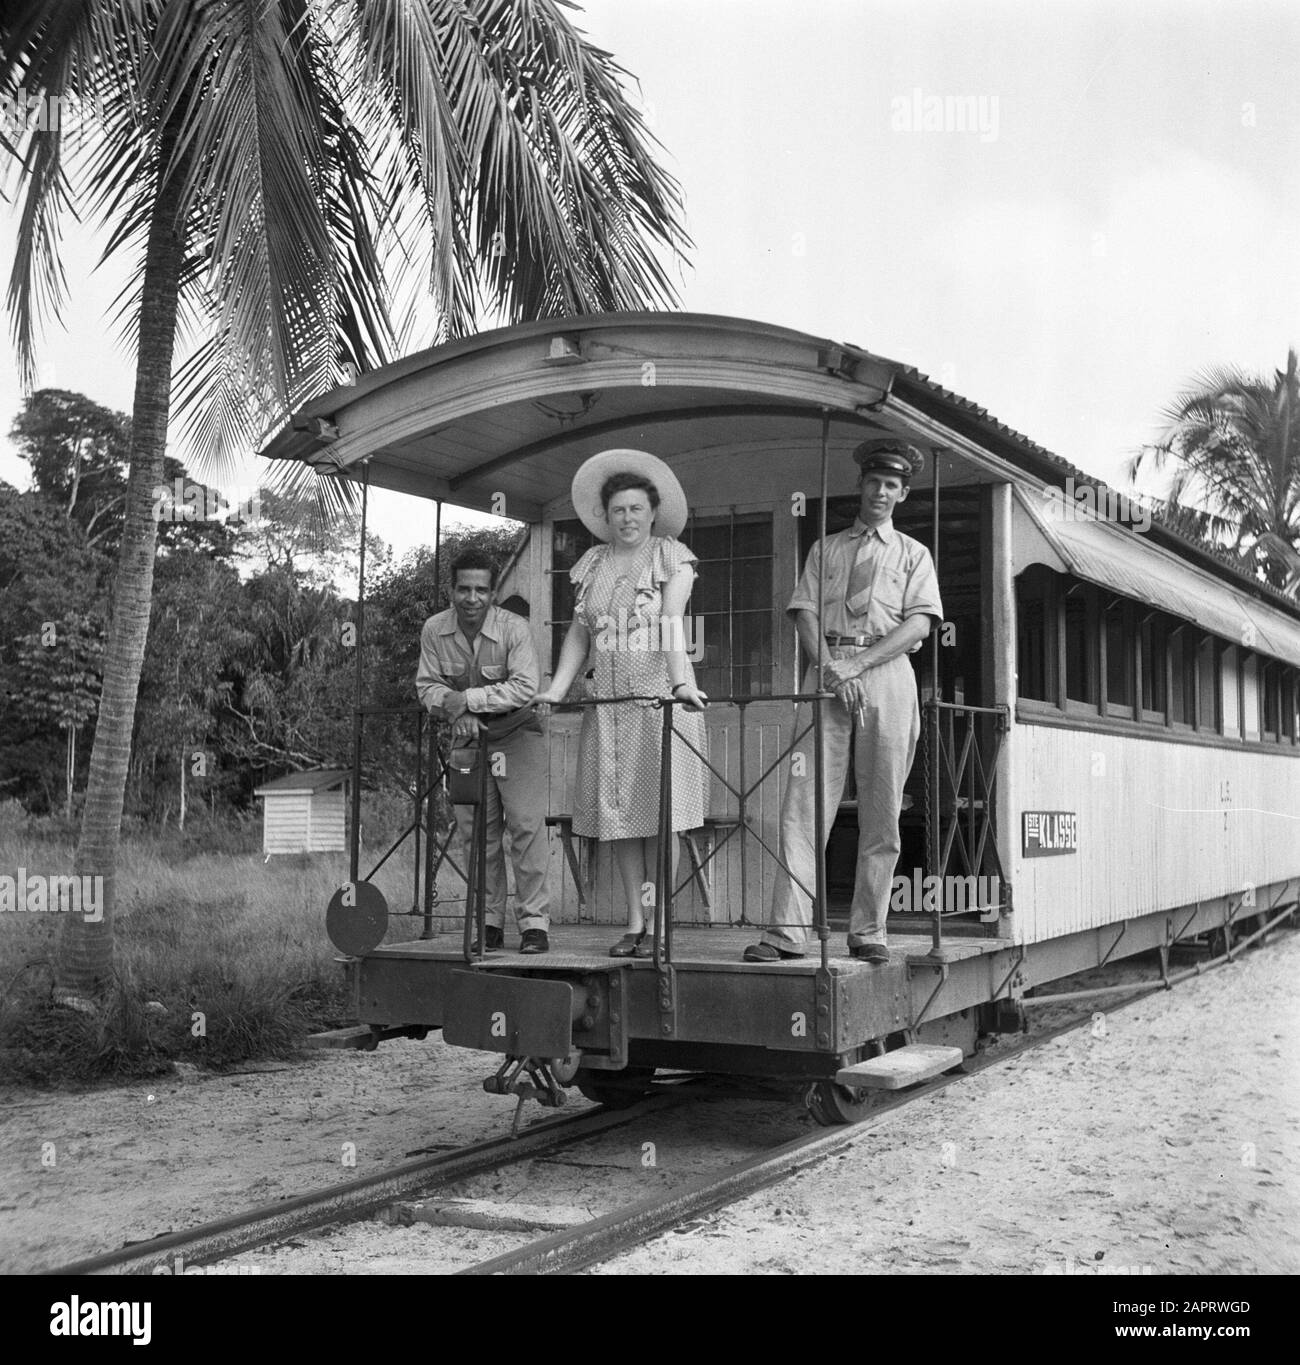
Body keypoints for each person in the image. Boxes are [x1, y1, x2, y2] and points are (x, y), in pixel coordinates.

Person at [744, 438, 943, 965]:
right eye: (874, 482)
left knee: (883, 810)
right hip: (827, 674)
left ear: (902, 494)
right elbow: (804, 612)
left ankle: (869, 930)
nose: (881, 492)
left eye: (892, 486)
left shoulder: (913, 554)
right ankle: (786, 932)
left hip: (886, 677)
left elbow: (920, 623)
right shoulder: (826, 549)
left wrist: (857, 665)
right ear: (861, 485)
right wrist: (833, 668)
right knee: (803, 804)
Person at [535, 449, 708, 958]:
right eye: (618, 511)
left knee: (661, 815)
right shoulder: (592, 564)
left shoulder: (672, 557)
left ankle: (661, 925)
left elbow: (672, 621)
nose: (628, 518)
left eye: (636, 509)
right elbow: (578, 637)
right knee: (617, 817)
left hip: (657, 698)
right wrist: (557, 688)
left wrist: (679, 683)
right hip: (607, 703)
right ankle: (634, 921)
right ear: (605, 517)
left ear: (653, 512)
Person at [416, 549, 553, 954]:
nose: (471, 598)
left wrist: (468, 701)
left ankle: (534, 924)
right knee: (479, 835)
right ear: (451, 590)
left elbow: (524, 687)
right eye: (463, 589)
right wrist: (456, 709)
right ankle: (488, 922)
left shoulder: (515, 629)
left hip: (515, 734)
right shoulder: (433, 630)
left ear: (493, 593)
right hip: (468, 741)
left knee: (526, 829)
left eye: (480, 590)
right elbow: (427, 687)